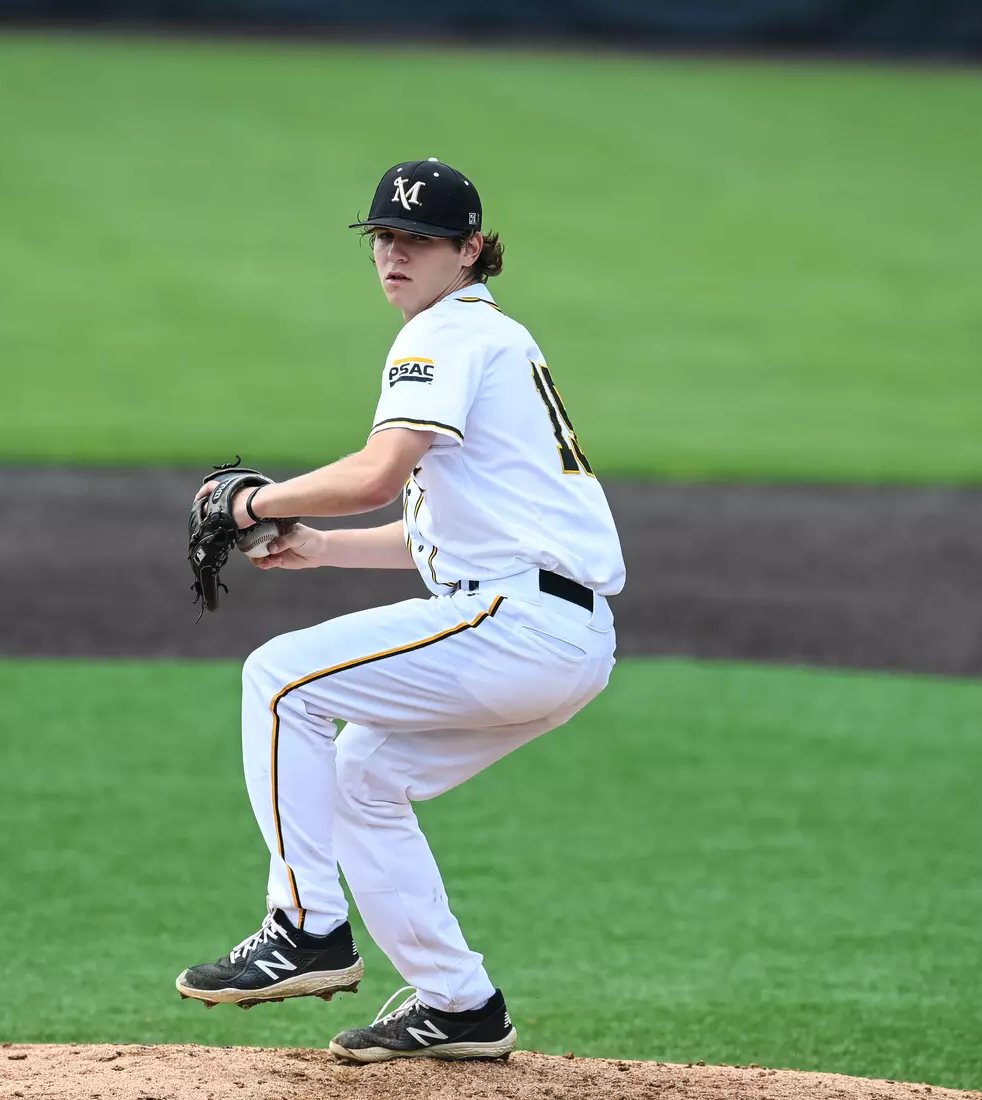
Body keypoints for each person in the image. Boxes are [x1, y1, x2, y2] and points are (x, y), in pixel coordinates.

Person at [174, 158, 626, 1064]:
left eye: (417, 239)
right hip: (558, 635)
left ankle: (303, 927)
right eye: (383, 236)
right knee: (360, 778)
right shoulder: (492, 343)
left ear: (469, 251)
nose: (393, 253)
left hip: (522, 625)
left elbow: (377, 474)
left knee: (279, 678)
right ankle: (460, 1004)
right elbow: (456, 531)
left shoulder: (444, 339)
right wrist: (324, 546)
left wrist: (250, 505)